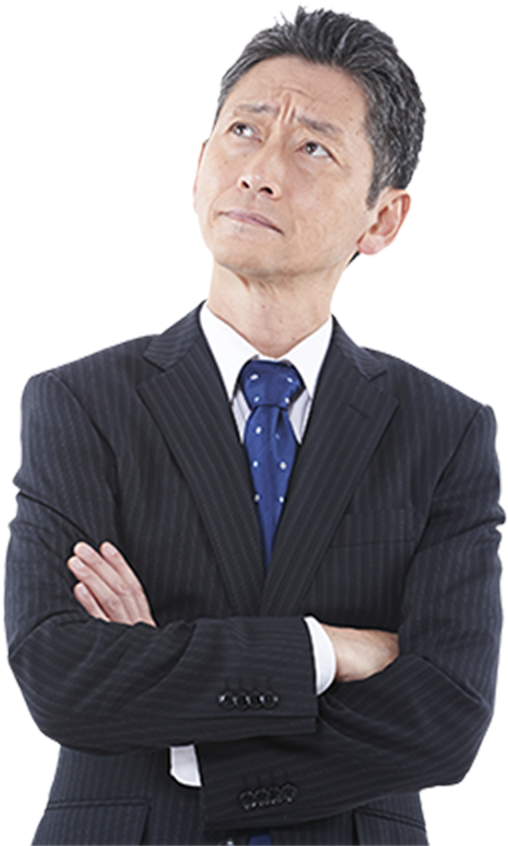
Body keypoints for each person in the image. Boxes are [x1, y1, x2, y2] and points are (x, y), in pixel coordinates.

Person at [5, 10, 505, 846]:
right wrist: (326, 652)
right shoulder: (83, 403)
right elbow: (61, 677)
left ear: (383, 217)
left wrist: (184, 720)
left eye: (313, 148)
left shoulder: (441, 430)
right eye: (243, 130)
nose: (261, 172)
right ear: (200, 159)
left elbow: (445, 719)